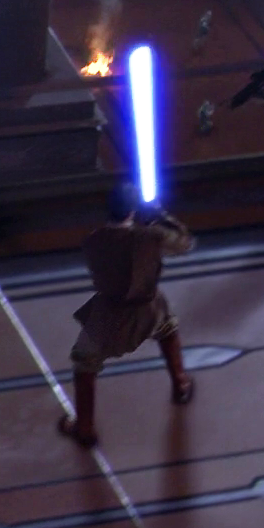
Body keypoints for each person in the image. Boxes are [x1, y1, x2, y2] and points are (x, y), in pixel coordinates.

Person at [57, 183, 195, 448]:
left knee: (85, 363)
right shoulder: (151, 236)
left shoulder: (94, 241)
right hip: (149, 306)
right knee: (167, 328)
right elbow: (185, 243)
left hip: (110, 312)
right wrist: (162, 217)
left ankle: (85, 427)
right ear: (133, 210)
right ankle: (181, 384)